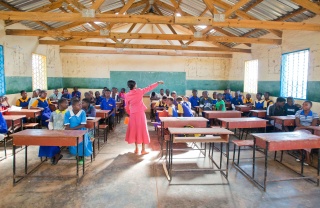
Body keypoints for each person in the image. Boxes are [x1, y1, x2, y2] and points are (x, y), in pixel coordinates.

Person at [125, 80, 164, 155]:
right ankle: (143, 150)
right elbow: (149, 88)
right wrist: (157, 83)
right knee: (142, 130)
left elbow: (126, 107)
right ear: (135, 85)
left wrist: (130, 113)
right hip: (140, 113)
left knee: (134, 130)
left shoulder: (127, 95)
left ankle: (136, 149)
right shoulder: (139, 91)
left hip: (133, 114)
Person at [64, 99, 93, 164]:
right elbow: (66, 124)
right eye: (78, 105)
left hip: (81, 131)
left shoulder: (82, 112)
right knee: (73, 144)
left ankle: (81, 156)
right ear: (73, 106)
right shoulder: (67, 113)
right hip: (71, 132)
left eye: (81, 104)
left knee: (82, 143)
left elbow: (83, 125)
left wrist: (72, 129)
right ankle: (77, 154)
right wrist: (69, 130)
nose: (80, 106)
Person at [41, 98, 68, 165]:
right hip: (53, 131)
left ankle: (56, 156)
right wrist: (52, 130)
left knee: (54, 141)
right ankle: (55, 155)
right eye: (66, 103)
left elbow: (67, 124)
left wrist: (62, 131)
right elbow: (50, 123)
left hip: (63, 132)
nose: (67, 104)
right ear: (61, 104)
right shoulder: (53, 113)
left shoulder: (68, 113)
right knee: (45, 141)